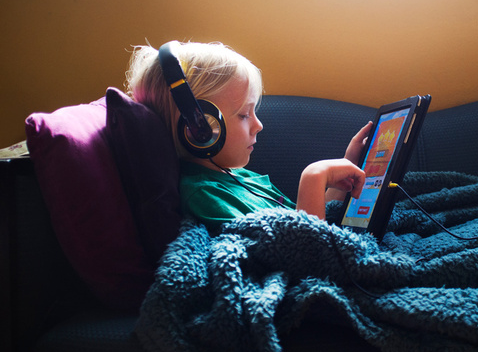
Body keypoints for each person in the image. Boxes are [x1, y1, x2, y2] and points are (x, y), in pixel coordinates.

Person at [125, 40, 371, 228]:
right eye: (244, 115)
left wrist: (348, 165)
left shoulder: (237, 177)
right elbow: (305, 254)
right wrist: (313, 178)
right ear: (199, 129)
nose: (259, 125)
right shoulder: (203, 195)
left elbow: (311, 220)